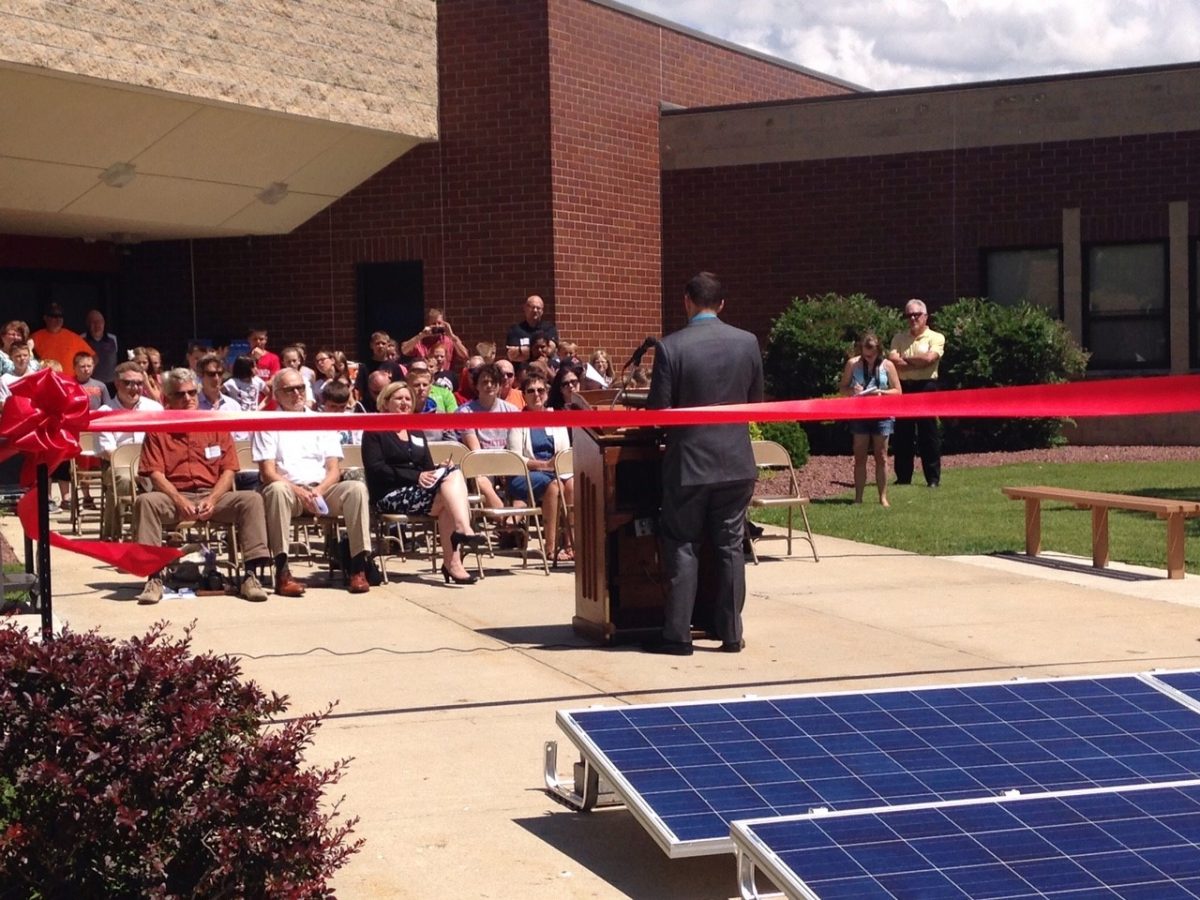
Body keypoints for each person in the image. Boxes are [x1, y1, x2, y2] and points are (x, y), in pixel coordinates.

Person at [645, 272, 762, 656]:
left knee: (683, 544)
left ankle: (677, 636)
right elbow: (756, 402)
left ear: (686, 301)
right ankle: (730, 634)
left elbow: (659, 414)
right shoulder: (747, 343)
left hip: (690, 465)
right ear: (722, 304)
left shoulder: (671, 347)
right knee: (730, 547)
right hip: (736, 462)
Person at [130, 368, 272, 605]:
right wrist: (179, 500)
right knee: (145, 502)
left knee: (252, 499)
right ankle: (154, 577)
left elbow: (229, 470)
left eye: (192, 392)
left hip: (212, 495)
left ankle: (250, 577)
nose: (188, 399)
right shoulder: (157, 429)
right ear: (167, 399)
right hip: (174, 496)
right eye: (180, 394)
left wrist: (214, 499)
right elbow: (155, 474)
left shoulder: (214, 423)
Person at [252, 369, 373, 596]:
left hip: (322, 490)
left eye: (300, 387)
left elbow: (334, 470)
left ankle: (358, 567)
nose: (297, 393)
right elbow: (267, 472)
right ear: (277, 394)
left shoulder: (320, 420)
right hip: (289, 490)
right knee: (276, 490)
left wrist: (318, 491)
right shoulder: (267, 422)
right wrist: (299, 491)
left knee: (356, 488)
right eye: (290, 389)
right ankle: (282, 571)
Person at [362, 382, 483, 585]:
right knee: (447, 497)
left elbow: (426, 466)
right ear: (385, 402)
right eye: (399, 399)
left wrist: (439, 468)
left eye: (408, 399)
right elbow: (376, 469)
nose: (404, 403)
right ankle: (461, 537)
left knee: (453, 473)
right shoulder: (374, 430)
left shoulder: (415, 431)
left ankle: (454, 560)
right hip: (390, 493)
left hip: (420, 490)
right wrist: (415, 477)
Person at [507, 373, 573, 562]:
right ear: (524, 395)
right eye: (531, 391)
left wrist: (556, 466)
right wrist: (544, 465)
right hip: (525, 474)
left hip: (556, 472)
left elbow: (564, 451)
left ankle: (571, 545)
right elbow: (515, 458)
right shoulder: (517, 420)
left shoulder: (556, 417)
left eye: (541, 390)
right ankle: (550, 548)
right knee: (555, 486)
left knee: (573, 485)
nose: (537, 394)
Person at [97, 360, 165, 539]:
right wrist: (134, 469)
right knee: (124, 479)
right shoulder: (105, 411)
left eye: (139, 383)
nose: (134, 388)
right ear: (117, 384)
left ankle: (165, 532)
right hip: (118, 466)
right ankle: (118, 535)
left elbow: (164, 443)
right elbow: (107, 450)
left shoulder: (155, 409)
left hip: (152, 465)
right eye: (128, 383)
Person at [888, 298, 945, 487]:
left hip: (926, 386)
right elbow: (893, 361)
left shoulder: (936, 337)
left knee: (928, 434)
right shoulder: (898, 338)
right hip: (904, 388)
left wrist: (906, 358)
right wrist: (916, 360)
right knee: (903, 434)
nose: (912, 318)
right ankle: (903, 477)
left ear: (925, 317)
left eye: (916, 315)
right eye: (909, 315)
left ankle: (933, 479)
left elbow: (930, 359)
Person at [840, 332, 902, 506]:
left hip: (882, 415)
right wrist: (853, 391)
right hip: (859, 414)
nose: (869, 358)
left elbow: (898, 391)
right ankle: (858, 497)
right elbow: (842, 388)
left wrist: (881, 392)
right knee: (860, 456)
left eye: (872, 354)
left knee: (881, 456)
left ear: (879, 350)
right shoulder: (853, 364)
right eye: (866, 355)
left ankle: (883, 497)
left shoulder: (887, 365)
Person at [456, 362, 518, 509]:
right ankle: (506, 519)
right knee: (481, 480)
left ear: (499, 385)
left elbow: (515, 445)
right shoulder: (465, 413)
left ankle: (511, 519)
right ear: (476, 386)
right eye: (484, 381)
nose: (489, 385)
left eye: (493, 382)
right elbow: (475, 450)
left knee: (522, 479)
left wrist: (506, 466)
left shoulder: (512, 410)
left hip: (509, 461)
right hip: (481, 463)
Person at [400, 308, 469, 370]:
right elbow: (404, 350)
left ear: (444, 324)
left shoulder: (450, 340)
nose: (437, 326)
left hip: (444, 379)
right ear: (428, 324)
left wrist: (451, 335)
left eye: (439, 323)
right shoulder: (420, 341)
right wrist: (420, 335)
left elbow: (465, 356)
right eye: (434, 323)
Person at [30, 303, 91, 372]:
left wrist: (83, 375)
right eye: (54, 316)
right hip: (46, 380)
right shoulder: (35, 337)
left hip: (68, 381)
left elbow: (93, 357)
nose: (58, 319)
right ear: (45, 318)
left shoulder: (73, 337)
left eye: (61, 316)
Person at [505, 295, 559, 362]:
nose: (535, 310)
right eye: (532, 307)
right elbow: (511, 355)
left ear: (542, 311)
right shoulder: (515, 330)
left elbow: (551, 349)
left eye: (538, 308)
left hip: (544, 369)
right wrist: (538, 351)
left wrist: (521, 351)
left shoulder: (549, 329)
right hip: (521, 370)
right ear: (525, 308)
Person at [83, 310, 119, 384]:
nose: (97, 325)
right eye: (93, 322)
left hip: (112, 384)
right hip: (91, 385)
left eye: (100, 322)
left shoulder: (113, 339)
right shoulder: (81, 339)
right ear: (88, 324)